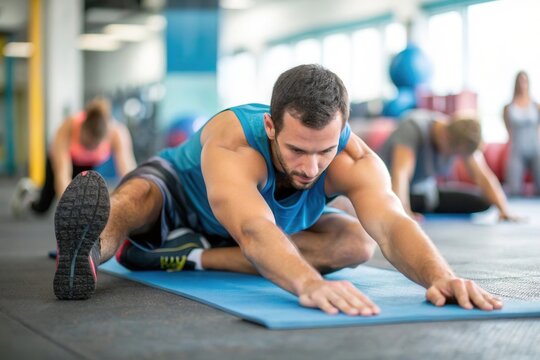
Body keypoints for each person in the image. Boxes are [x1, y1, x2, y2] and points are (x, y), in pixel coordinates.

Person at [53, 65, 502, 316]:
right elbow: (252, 228)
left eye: (323, 151)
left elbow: (391, 222)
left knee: (356, 243)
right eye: (295, 150)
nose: (310, 168)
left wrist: (440, 276)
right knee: (131, 203)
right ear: (270, 125)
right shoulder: (235, 141)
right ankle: (89, 253)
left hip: (246, 232)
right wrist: (305, 283)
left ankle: (178, 256)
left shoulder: (355, 159)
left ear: (343, 129)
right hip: (181, 196)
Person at [378, 109, 519, 222]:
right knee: (410, 199)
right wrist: (404, 214)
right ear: (445, 136)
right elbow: (401, 174)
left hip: (424, 193)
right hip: (390, 191)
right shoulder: (414, 126)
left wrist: (504, 210)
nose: (453, 157)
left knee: (483, 201)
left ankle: (423, 206)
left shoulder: (460, 136)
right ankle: (408, 207)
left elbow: (482, 176)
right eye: (455, 153)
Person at [10, 97, 137, 217]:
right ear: (83, 129)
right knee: (43, 206)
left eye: (95, 145)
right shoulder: (69, 126)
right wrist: (70, 210)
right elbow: (62, 174)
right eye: (87, 143)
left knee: (84, 198)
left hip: (86, 166)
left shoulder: (117, 133)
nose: (91, 148)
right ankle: (28, 192)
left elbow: (128, 174)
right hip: (60, 162)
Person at [503, 71, 540, 196]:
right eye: (520, 81)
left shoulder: (536, 105)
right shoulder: (509, 107)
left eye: (525, 81)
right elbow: (508, 129)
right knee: (513, 190)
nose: (522, 84)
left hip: (535, 149)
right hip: (517, 150)